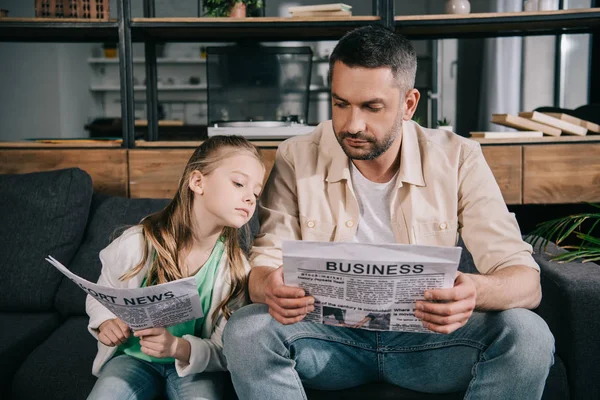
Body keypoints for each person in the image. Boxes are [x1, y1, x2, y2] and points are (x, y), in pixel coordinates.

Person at [223, 25, 554, 399]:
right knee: (247, 330)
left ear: (409, 104)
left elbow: (527, 283)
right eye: (340, 104)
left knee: (528, 334)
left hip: (430, 344)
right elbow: (262, 267)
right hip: (328, 343)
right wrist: (271, 286)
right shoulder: (297, 156)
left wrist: (473, 291)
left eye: (372, 107)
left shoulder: (458, 157)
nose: (352, 125)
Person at [86, 135, 265, 400]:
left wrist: (177, 347)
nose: (250, 198)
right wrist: (104, 322)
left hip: (191, 367)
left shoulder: (236, 269)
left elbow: (224, 350)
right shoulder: (138, 242)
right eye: (239, 183)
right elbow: (99, 294)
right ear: (197, 181)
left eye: (256, 192)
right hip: (132, 359)